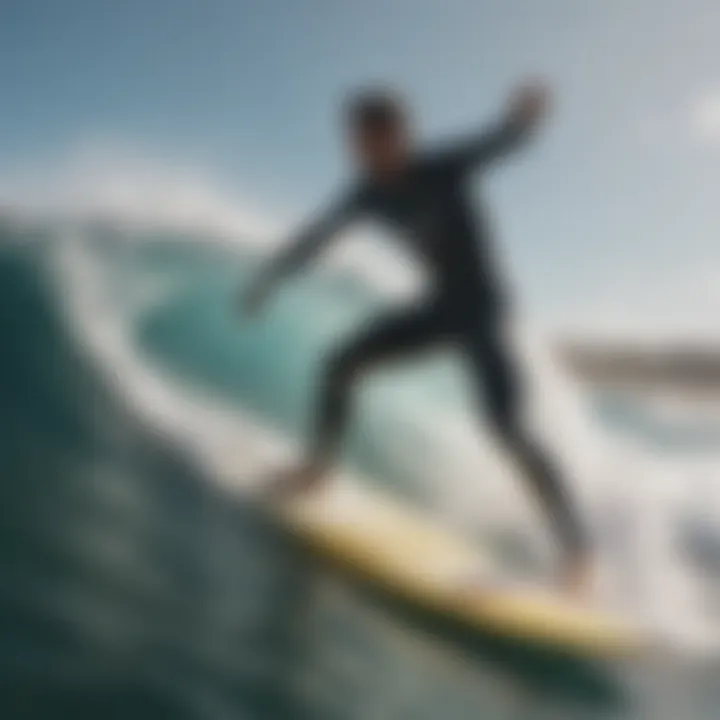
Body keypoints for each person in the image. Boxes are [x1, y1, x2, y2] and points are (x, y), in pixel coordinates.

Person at [240, 82, 592, 594]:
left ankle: (578, 552)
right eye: (357, 143)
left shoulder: (442, 167)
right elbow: (315, 238)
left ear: (401, 136)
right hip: (438, 307)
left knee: (506, 428)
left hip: (483, 310)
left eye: (376, 141)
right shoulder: (365, 193)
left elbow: (499, 141)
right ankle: (317, 469)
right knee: (339, 365)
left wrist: (525, 121)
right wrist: (269, 278)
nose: (365, 153)